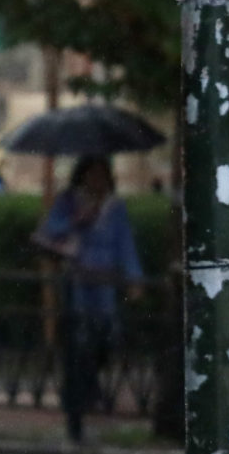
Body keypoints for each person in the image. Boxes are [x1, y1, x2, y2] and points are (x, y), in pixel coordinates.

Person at [33, 155, 145, 438]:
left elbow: (124, 242)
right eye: (91, 174)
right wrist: (76, 220)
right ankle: (82, 393)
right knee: (79, 333)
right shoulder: (69, 201)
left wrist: (134, 278)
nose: (96, 181)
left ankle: (91, 385)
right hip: (77, 276)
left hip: (104, 277)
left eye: (101, 175)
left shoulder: (114, 207)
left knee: (106, 332)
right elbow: (50, 230)